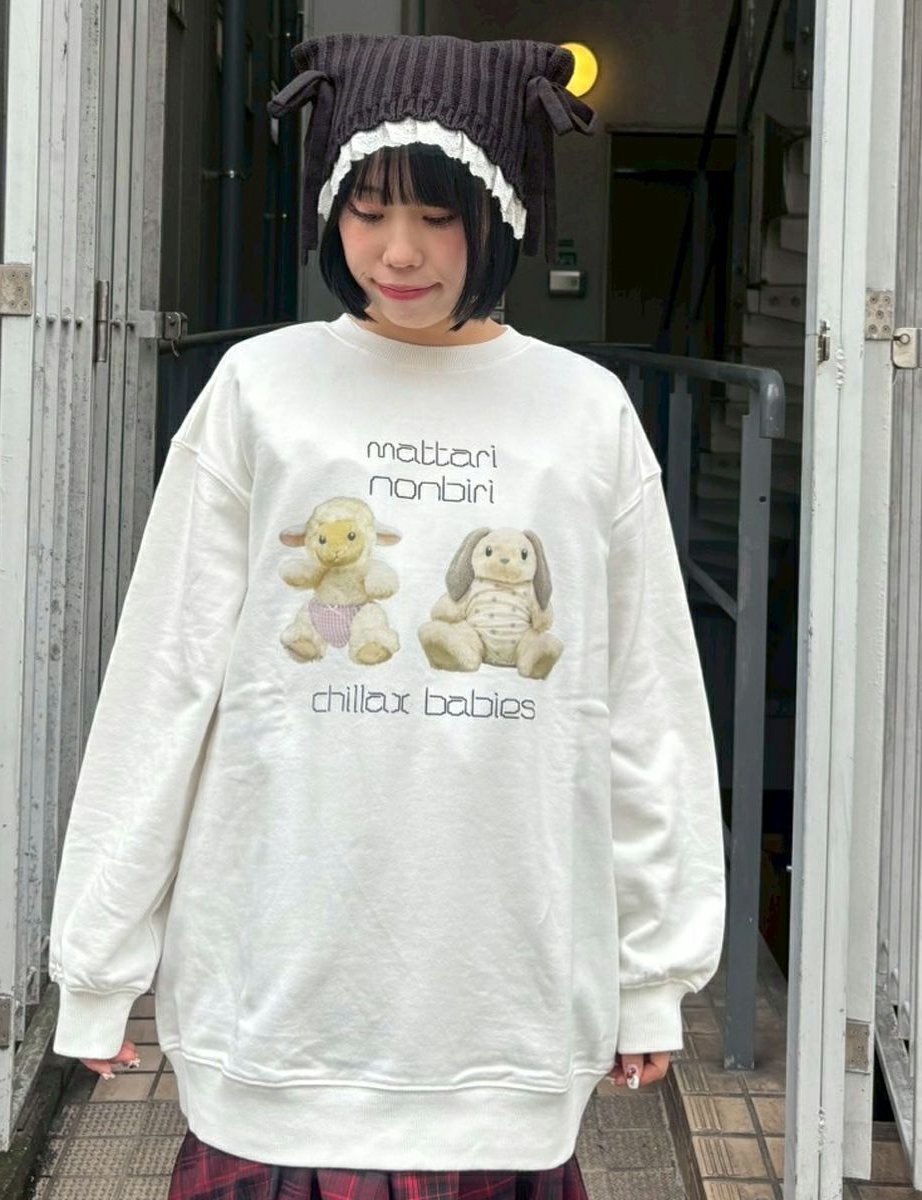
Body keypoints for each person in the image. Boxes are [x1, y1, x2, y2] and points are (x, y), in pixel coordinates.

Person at [47, 31, 726, 1200]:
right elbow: (165, 678)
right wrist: (99, 961)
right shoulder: (261, 391)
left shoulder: (582, 415)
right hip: (275, 1008)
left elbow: (644, 708)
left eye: (437, 217)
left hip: (505, 1016)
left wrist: (651, 973)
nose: (398, 251)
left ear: (500, 212)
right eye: (366, 211)